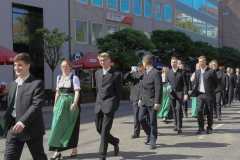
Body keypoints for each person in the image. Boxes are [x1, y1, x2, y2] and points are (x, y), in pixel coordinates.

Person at [0, 53, 47, 160]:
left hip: (32, 128)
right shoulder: (12, 84)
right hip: (14, 128)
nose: (17, 68)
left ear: (28, 66)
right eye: (15, 65)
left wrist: (22, 122)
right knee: (9, 157)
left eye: (20, 65)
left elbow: (37, 105)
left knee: (39, 157)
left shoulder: (37, 83)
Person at [47, 60, 80, 159]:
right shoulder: (59, 78)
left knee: (71, 126)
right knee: (57, 126)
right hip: (60, 103)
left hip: (71, 103)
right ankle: (57, 151)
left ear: (70, 67)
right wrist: (55, 105)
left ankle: (74, 149)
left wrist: (75, 103)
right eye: (63, 66)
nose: (64, 68)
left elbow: (77, 92)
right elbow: (57, 93)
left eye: (66, 66)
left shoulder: (74, 78)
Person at [94, 52, 123, 160]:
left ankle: (102, 156)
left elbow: (119, 92)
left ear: (109, 60)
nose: (102, 62)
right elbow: (97, 89)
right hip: (99, 105)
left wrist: (115, 104)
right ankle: (115, 141)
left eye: (104, 60)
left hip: (109, 105)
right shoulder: (97, 73)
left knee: (105, 131)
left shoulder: (115, 74)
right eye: (100, 60)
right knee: (99, 129)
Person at [138, 55, 162, 149]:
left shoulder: (155, 72)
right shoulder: (145, 73)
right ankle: (148, 134)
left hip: (152, 101)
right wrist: (140, 99)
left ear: (145, 63)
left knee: (152, 121)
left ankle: (153, 140)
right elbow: (142, 87)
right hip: (144, 100)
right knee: (141, 118)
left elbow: (158, 89)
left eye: (142, 63)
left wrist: (157, 102)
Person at [190, 56, 218, 134]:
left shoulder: (211, 71)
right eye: (199, 62)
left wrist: (210, 91)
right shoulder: (197, 71)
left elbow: (215, 83)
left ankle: (209, 127)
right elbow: (194, 82)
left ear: (205, 62)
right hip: (200, 94)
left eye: (202, 61)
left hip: (208, 95)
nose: (201, 63)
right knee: (198, 110)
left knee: (209, 111)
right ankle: (200, 127)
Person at [166, 57, 188, 134]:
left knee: (178, 109)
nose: (173, 63)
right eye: (172, 62)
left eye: (174, 62)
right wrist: (167, 86)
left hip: (179, 93)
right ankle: (175, 124)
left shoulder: (182, 72)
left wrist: (185, 94)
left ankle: (179, 126)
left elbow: (185, 84)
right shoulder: (168, 72)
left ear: (177, 63)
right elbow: (166, 82)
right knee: (174, 110)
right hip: (172, 94)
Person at [124, 61, 145, 139]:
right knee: (136, 115)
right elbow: (126, 78)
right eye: (138, 66)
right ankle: (136, 132)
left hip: (145, 97)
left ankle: (146, 128)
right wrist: (130, 72)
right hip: (136, 97)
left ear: (144, 66)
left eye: (141, 66)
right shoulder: (134, 74)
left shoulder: (147, 74)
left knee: (144, 116)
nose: (139, 67)